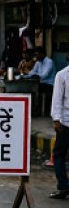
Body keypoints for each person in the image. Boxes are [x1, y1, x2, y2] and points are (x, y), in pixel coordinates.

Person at [50, 58, 69, 199]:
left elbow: (57, 99)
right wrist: (57, 119)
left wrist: (56, 119)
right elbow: (57, 99)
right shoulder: (62, 75)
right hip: (65, 121)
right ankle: (63, 186)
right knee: (59, 154)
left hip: (65, 121)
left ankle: (63, 187)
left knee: (59, 154)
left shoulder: (62, 74)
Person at [26, 47, 56, 111]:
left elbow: (44, 76)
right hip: (40, 83)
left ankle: (38, 109)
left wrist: (34, 75)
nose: (35, 56)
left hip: (49, 84)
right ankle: (32, 108)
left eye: (37, 54)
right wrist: (23, 76)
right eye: (35, 55)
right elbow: (31, 73)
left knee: (36, 88)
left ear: (42, 54)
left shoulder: (49, 62)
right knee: (28, 88)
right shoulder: (38, 62)